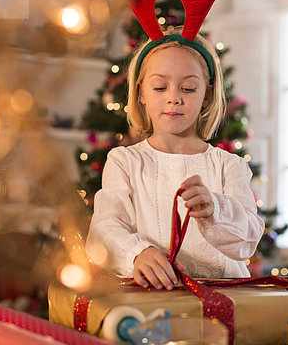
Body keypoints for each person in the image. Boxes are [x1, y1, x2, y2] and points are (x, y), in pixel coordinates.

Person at [85, 27, 264, 290]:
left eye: (189, 88)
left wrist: (216, 209)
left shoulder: (229, 166)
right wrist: (138, 253)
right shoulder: (125, 161)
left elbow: (248, 240)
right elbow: (104, 229)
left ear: (207, 95)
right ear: (141, 93)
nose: (173, 98)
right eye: (159, 87)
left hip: (226, 303)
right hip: (155, 305)